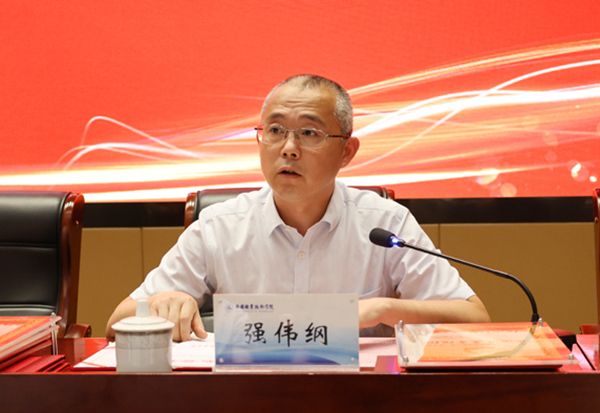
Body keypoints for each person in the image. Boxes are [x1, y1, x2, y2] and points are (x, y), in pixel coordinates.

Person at [106, 74, 490, 341]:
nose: (289, 148)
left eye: (309, 133)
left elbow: (475, 319)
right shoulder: (220, 227)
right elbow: (116, 322)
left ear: (347, 151)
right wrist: (163, 303)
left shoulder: (384, 224)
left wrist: (382, 310)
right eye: (275, 131)